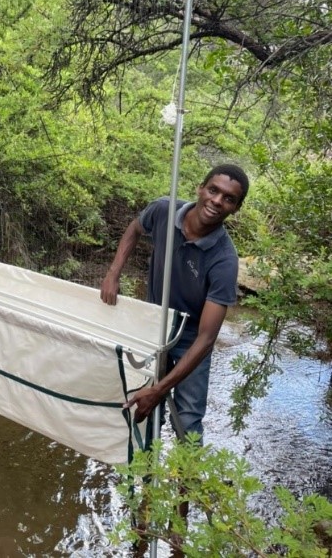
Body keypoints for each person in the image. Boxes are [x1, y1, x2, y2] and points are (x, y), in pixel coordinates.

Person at [100, 163, 249, 439]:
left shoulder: (224, 260)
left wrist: (160, 391)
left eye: (229, 198)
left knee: (188, 420)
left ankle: (187, 482)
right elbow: (134, 229)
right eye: (214, 190)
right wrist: (113, 273)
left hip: (190, 341)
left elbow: (206, 340)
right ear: (201, 188)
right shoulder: (163, 211)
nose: (217, 201)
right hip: (152, 326)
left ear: (235, 209)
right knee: (141, 406)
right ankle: (144, 477)